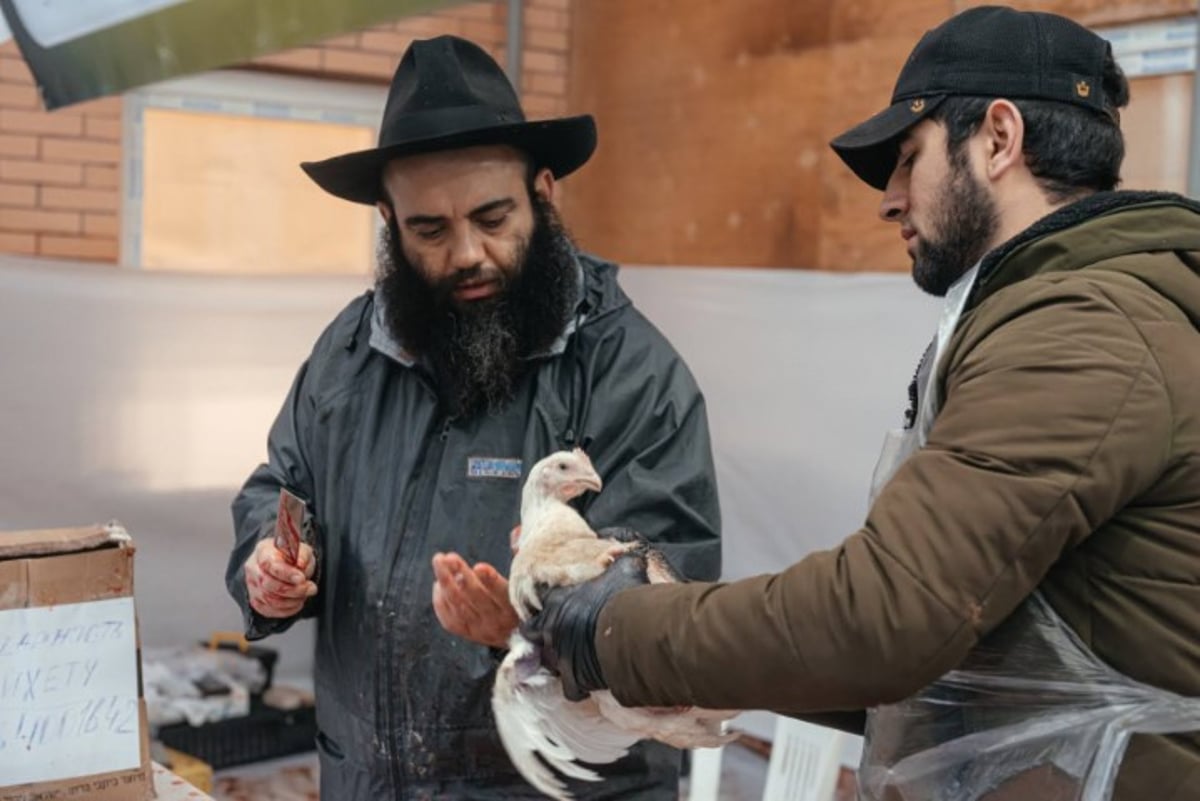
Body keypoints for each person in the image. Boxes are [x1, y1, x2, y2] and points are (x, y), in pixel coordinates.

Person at [524, 6, 1200, 799]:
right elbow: (967, 655)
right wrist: (678, 628)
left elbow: (885, 616)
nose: (889, 198)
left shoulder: (1081, 331)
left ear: (998, 139)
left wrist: (614, 630)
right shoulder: (1062, 316)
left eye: (908, 158)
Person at [224, 35, 721, 800]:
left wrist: (530, 625)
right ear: (389, 221)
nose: (466, 254)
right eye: (429, 229)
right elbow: (281, 485)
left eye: (493, 217)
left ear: (545, 193)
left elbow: (670, 613)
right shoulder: (349, 355)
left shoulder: (632, 376)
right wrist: (274, 560)